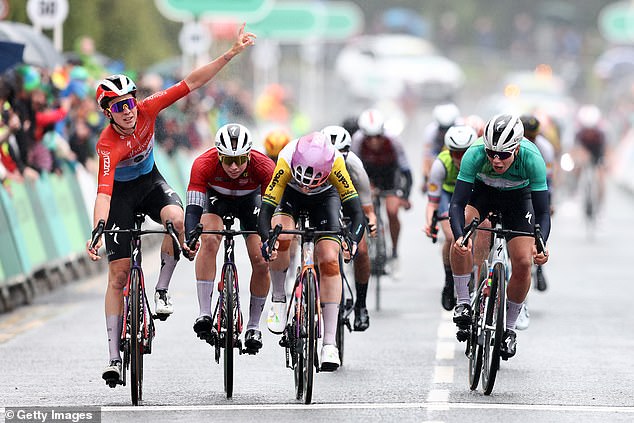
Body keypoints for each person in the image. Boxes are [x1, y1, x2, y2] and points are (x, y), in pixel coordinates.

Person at [87, 24, 256, 384]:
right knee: (117, 276)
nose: (128, 110)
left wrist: (228, 55)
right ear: (108, 112)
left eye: (130, 101)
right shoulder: (107, 145)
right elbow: (103, 192)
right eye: (119, 106)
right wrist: (99, 228)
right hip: (119, 196)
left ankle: (161, 289)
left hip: (150, 184)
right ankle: (114, 357)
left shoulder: (148, 110)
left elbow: (191, 83)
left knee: (178, 220)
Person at [257, 132, 366, 371]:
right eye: (303, 179)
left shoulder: (336, 163)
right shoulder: (286, 159)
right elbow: (265, 211)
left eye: (312, 180)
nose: (306, 185)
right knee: (283, 237)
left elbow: (357, 213)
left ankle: (329, 343)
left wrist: (354, 240)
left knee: (329, 260)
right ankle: (278, 298)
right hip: (290, 197)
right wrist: (268, 241)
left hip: (324, 199)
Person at [449, 113, 551, 360]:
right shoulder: (474, 153)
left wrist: (541, 244)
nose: (496, 160)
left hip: (518, 198)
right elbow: (457, 203)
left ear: (516, 148)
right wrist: (460, 236)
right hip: (484, 193)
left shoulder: (533, 157)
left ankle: (510, 328)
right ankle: (463, 300)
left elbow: (543, 211)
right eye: (491, 153)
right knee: (461, 235)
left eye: (503, 155)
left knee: (524, 262)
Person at [183, 123, 274, 353]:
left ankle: (254, 326)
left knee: (262, 261)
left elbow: (270, 211)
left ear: (249, 155)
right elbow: (193, 209)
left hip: (250, 202)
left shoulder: (264, 166)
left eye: (241, 160)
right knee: (210, 239)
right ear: (218, 155)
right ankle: (204, 313)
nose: (234, 166)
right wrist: (190, 237)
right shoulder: (203, 164)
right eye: (228, 160)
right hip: (216, 200)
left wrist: (269, 241)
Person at [322, 125, 376, 330]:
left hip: (348, 205)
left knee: (361, 251)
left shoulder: (354, 165)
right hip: (321, 204)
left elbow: (366, 205)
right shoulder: (312, 160)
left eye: (340, 156)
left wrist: (371, 219)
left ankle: (361, 305)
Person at [352, 108, 412, 275]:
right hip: (367, 174)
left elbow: (406, 170)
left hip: (389, 176)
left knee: (392, 211)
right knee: (364, 207)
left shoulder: (393, 140)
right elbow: (353, 167)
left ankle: (394, 251)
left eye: (377, 136)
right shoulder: (357, 141)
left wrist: (405, 196)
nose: (374, 141)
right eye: (369, 137)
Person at [424, 125, 478, 311]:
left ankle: (475, 275)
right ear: (449, 151)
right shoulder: (441, 164)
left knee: (478, 232)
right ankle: (449, 281)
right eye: (456, 153)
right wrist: (429, 222)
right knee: (451, 236)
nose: (460, 159)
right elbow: (432, 202)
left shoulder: (479, 161)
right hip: (448, 197)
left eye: (465, 153)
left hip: (472, 195)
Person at [520, 114, 556, 301]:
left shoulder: (546, 149)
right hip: (516, 186)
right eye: (525, 136)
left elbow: (548, 182)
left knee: (538, 224)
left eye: (532, 137)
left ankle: (539, 266)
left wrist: (550, 203)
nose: (529, 141)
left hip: (535, 187)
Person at [421, 103, 461, 193]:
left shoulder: (461, 127)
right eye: (442, 128)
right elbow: (427, 157)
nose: (445, 132)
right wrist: (426, 179)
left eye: (448, 128)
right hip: (437, 153)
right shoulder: (430, 132)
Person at [574, 104, 607, 212]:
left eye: (591, 129)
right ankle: (576, 189)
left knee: (601, 175)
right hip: (585, 151)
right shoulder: (579, 133)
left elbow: (607, 149)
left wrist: (606, 162)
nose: (589, 132)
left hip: (598, 152)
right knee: (577, 166)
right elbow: (575, 148)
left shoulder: (602, 133)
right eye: (586, 129)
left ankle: (600, 201)